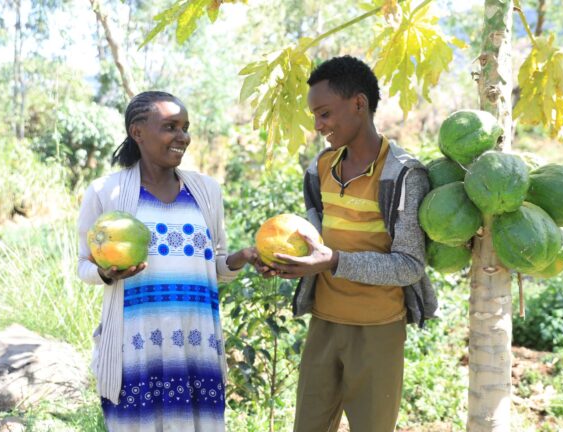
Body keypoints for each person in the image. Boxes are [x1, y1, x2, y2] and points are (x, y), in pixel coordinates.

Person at [265, 56, 438, 432]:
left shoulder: (404, 175)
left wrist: (333, 261)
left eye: (325, 113)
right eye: (315, 116)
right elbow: (315, 239)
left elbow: (409, 265)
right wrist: (282, 258)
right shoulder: (320, 168)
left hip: (378, 330)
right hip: (325, 323)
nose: (318, 126)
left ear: (359, 104)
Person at [77, 91, 257, 431]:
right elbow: (82, 266)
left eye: (186, 127)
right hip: (136, 349)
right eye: (170, 127)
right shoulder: (106, 192)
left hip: (196, 346)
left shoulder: (206, 192)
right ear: (138, 132)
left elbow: (215, 266)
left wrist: (241, 258)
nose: (183, 137)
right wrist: (105, 273)